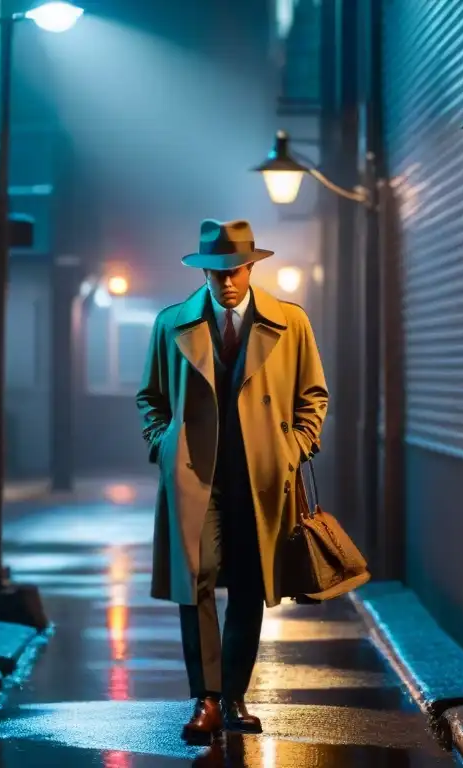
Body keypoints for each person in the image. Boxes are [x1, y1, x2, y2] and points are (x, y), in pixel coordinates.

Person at [136, 218, 329, 742]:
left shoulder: (290, 323)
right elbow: (150, 397)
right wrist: (163, 442)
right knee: (194, 583)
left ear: (251, 267)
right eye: (216, 271)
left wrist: (295, 447)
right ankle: (206, 700)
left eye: (235, 269)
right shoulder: (171, 323)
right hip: (195, 475)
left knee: (249, 584)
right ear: (203, 272)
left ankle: (234, 695)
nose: (226, 281)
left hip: (262, 475)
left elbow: (313, 394)